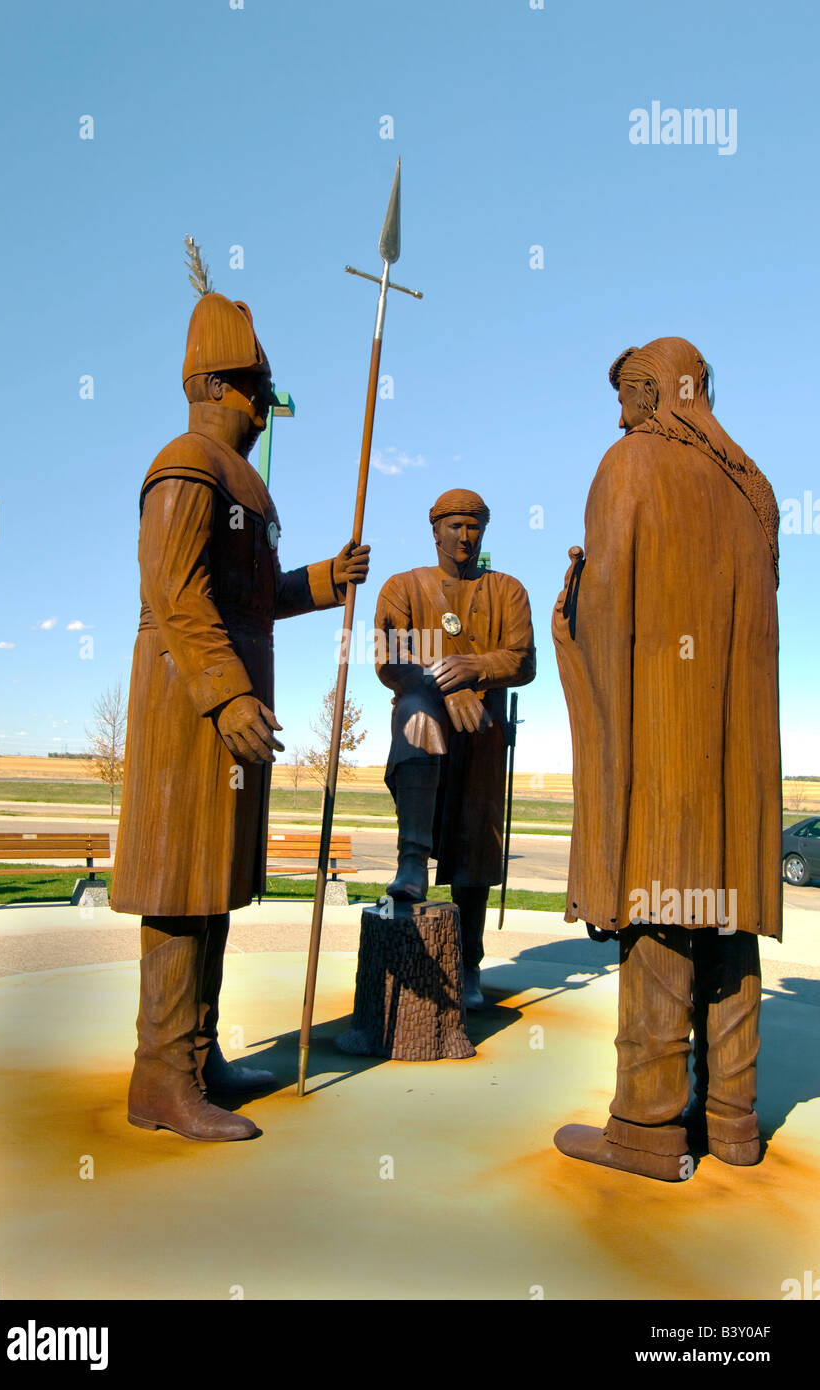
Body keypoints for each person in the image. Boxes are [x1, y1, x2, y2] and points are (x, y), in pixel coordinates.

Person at [111, 291, 369, 1141]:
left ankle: (197, 1054)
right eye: (256, 389)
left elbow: (253, 599)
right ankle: (159, 1076)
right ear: (214, 384)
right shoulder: (185, 463)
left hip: (228, 704)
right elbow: (174, 592)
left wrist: (327, 578)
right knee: (181, 882)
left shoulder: (238, 482)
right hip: (191, 704)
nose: (265, 407)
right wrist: (224, 694)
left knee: (212, 881)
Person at [552, 336, 781, 1181]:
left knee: (660, 904)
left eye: (624, 396)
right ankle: (731, 1120)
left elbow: (608, 608)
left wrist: (569, 615)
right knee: (724, 919)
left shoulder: (631, 465)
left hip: (664, 739)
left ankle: (645, 1128)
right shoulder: (751, 491)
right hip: (738, 755)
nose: (618, 414)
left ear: (653, 394)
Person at [373, 488, 535, 1008]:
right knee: (416, 713)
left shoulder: (507, 590)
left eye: (474, 527)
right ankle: (412, 860)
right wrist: (450, 685)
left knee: (474, 850)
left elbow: (523, 660)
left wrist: (480, 669)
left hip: (482, 737)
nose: (465, 536)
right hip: (425, 724)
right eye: (455, 526)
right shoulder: (402, 587)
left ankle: (469, 964)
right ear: (435, 529)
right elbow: (389, 661)